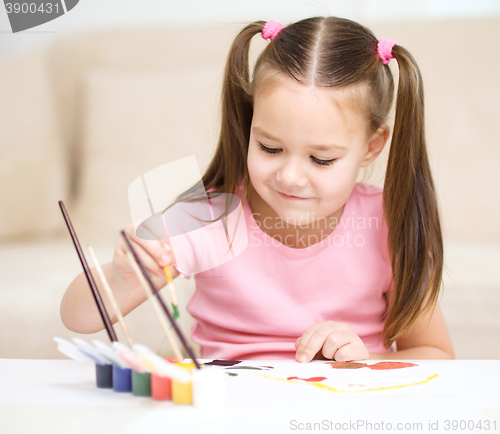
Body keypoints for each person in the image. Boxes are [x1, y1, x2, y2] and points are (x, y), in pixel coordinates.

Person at [61, 16, 455, 362]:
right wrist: (120, 278)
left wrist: (364, 358)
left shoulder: (389, 224)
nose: (290, 177)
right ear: (250, 123)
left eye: (321, 159)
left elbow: (437, 354)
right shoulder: (207, 218)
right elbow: (77, 318)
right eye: (270, 148)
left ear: (371, 146)